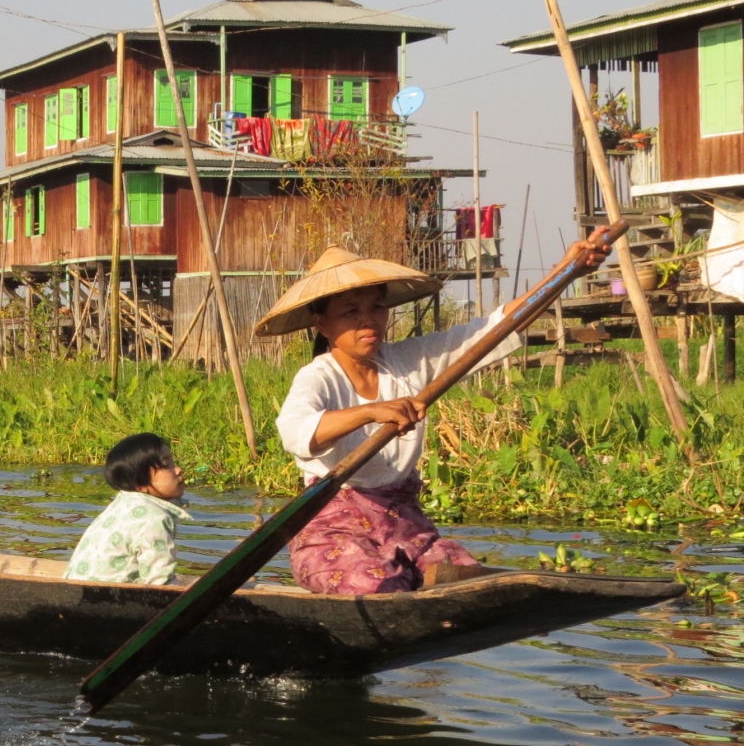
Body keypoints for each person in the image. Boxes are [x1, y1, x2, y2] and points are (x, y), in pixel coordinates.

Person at [258, 232, 612, 596]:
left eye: (377, 308)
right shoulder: (318, 377)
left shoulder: (406, 362)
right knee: (373, 584)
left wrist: (566, 271)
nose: (370, 321)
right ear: (321, 322)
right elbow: (298, 433)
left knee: (463, 578)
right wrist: (370, 412)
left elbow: (493, 330)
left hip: (404, 527)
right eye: (351, 311)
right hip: (333, 530)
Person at [67, 432, 192, 586]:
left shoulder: (122, 504)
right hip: (104, 600)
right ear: (141, 484)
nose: (178, 470)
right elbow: (159, 583)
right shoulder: (154, 518)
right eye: (166, 465)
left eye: (172, 462)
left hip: (73, 590)